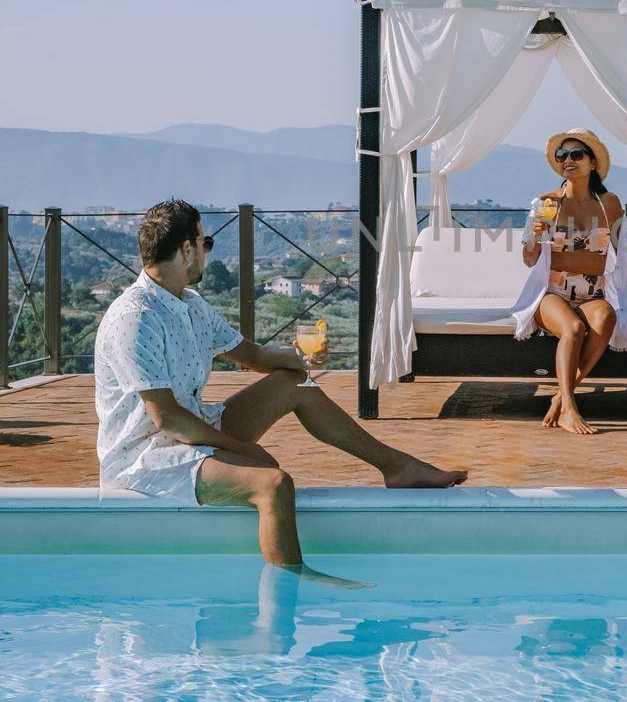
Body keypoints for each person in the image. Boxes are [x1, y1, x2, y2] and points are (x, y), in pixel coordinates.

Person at [94, 199, 466, 578]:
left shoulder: (190, 305)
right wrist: (242, 449)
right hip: (145, 458)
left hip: (191, 432)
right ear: (187, 250)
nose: (206, 253)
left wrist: (301, 358)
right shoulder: (135, 319)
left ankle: (397, 467)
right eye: (205, 244)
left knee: (296, 385)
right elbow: (167, 418)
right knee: (273, 484)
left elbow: (252, 355)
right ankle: (294, 587)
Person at [511, 130, 627, 435]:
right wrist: (534, 233)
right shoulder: (546, 202)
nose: (567, 161)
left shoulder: (610, 204)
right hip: (553, 292)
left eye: (575, 154)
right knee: (573, 328)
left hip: (592, 291)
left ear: (593, 162)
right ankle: (570, 407)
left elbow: (625, 253)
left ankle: (561, 396)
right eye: (562, 156)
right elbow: (529, 259)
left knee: (606, 316)